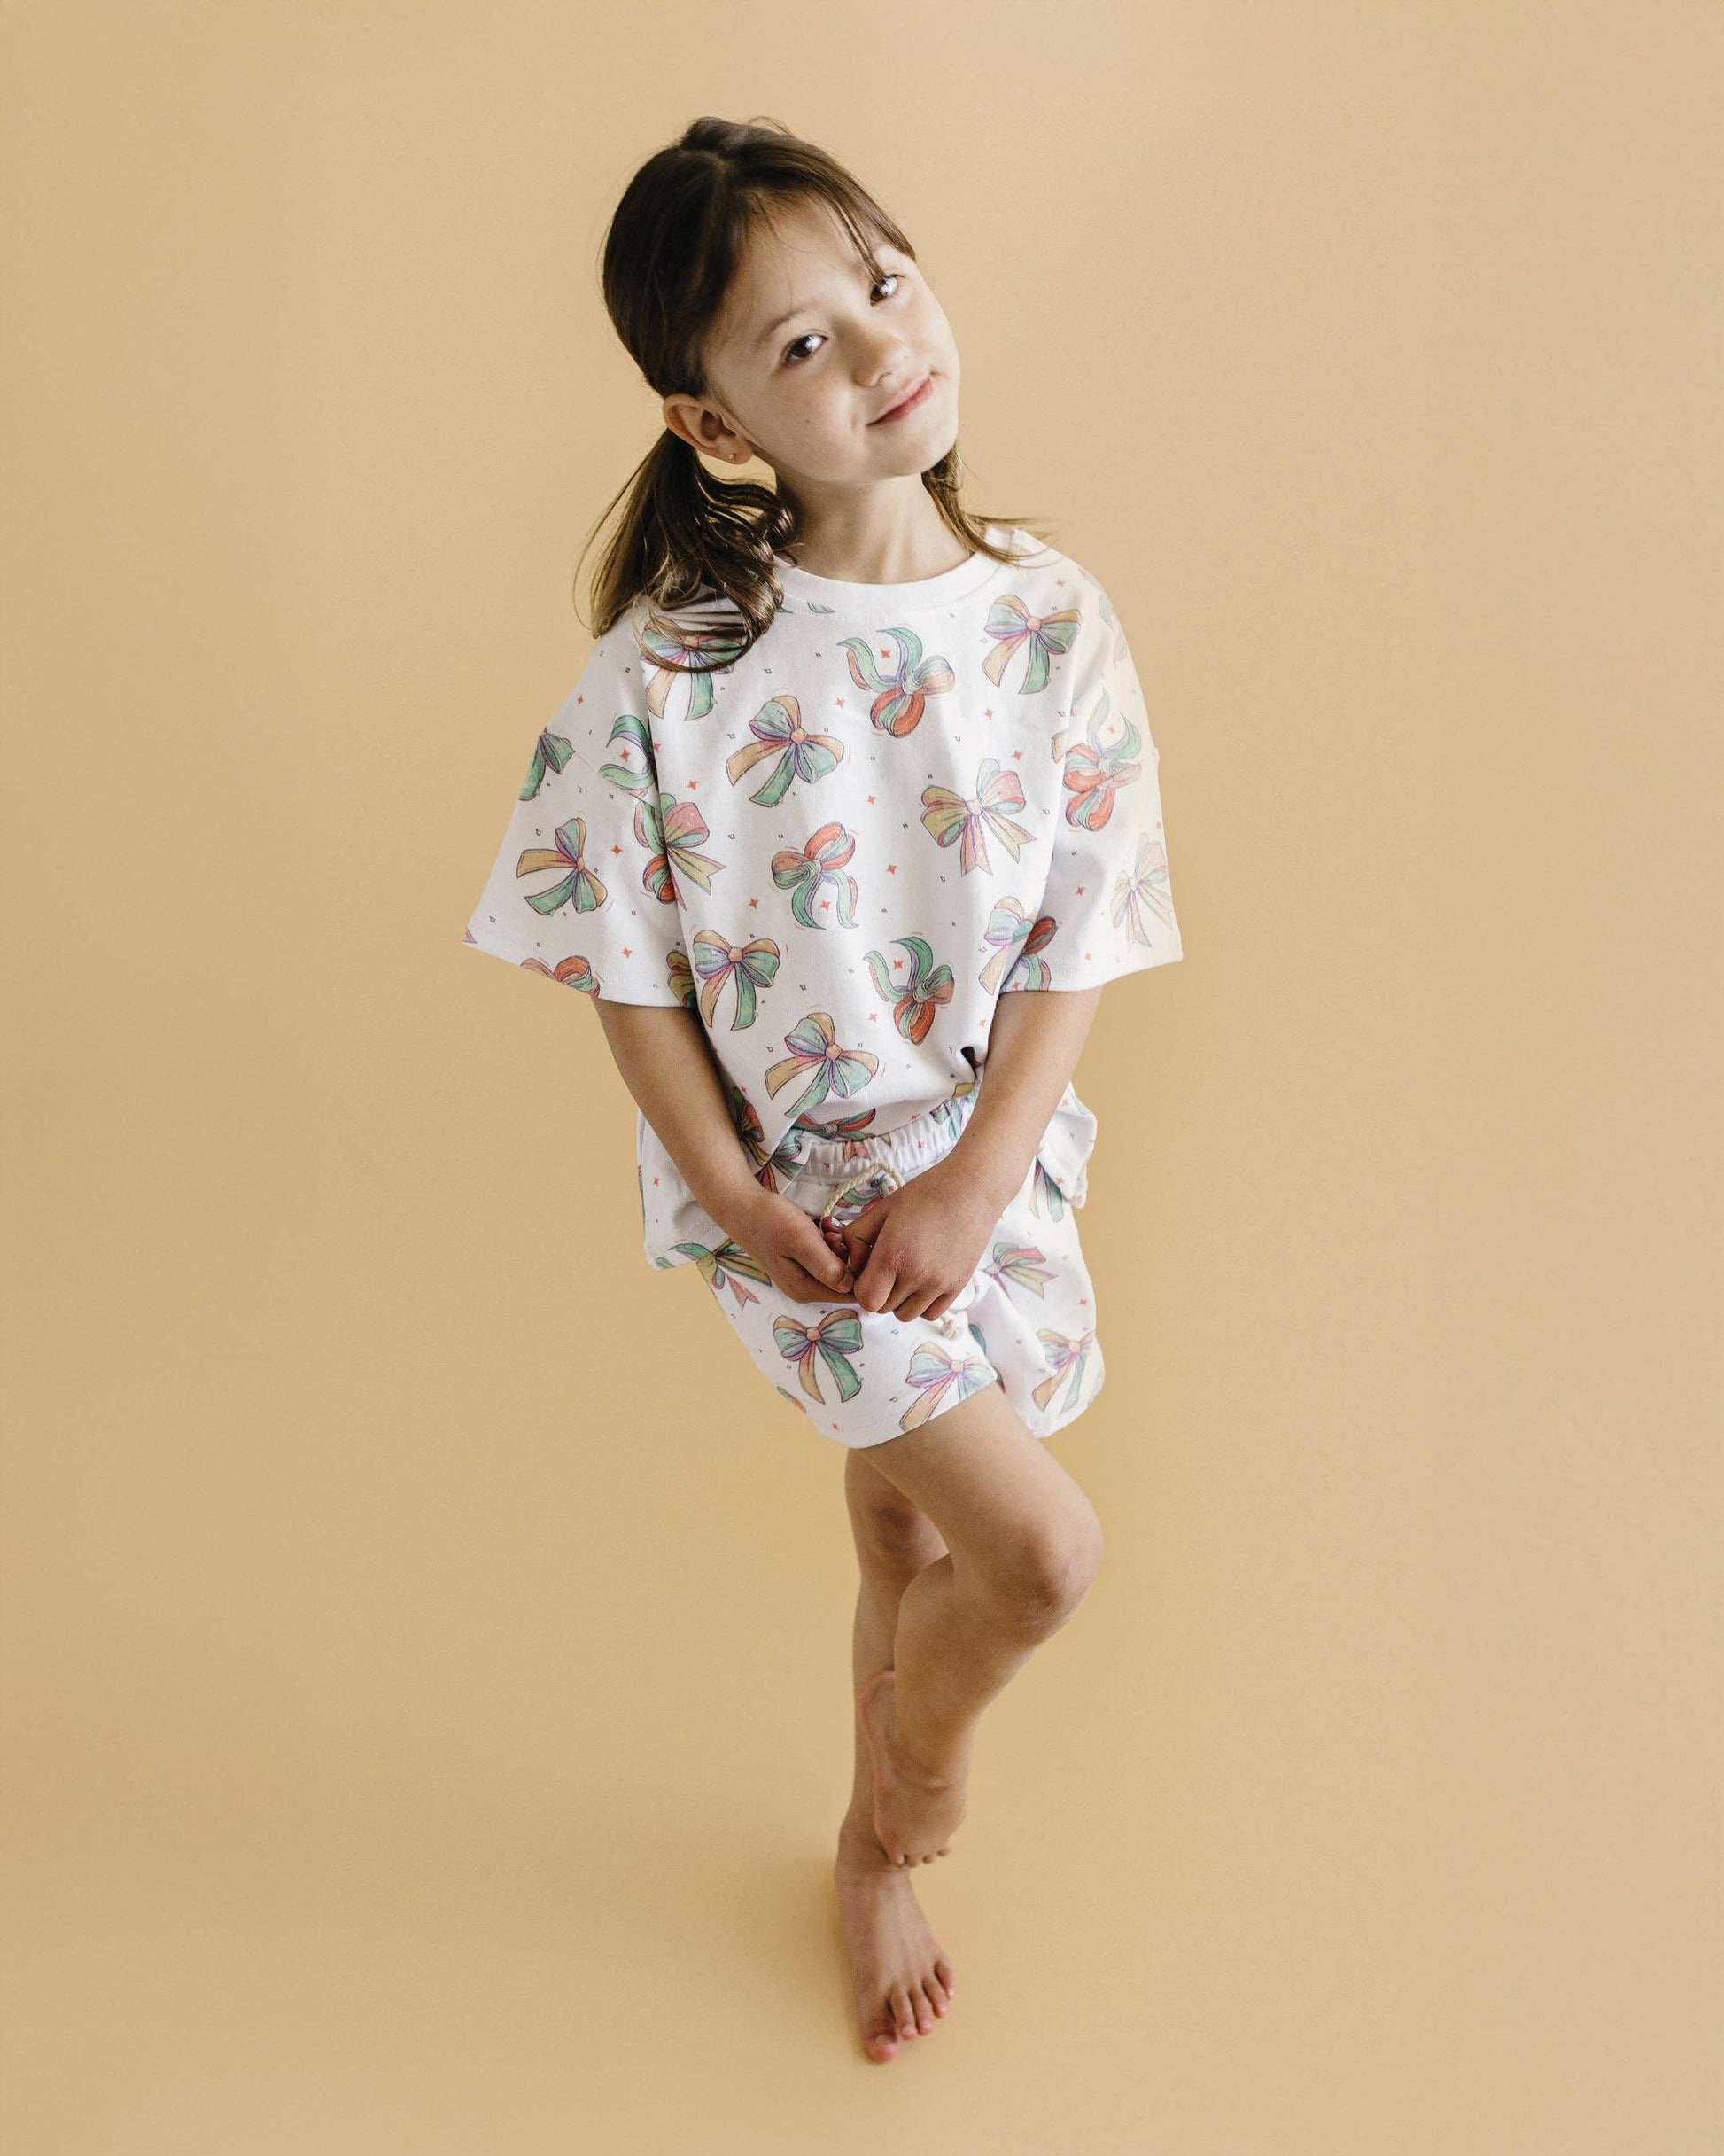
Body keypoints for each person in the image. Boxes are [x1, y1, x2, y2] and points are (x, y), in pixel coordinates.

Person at [460, 115, 1184, 2064]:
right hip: (798, 1201)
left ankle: (859, 1854)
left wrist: (979, 1177)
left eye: (881, 283)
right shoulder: (675, 670)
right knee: (1036, 1555)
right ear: (712, 425)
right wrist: (727, 1189)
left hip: (984, 1169)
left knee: (902, 1544)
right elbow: (621, 959)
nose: (879, 347)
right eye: (801, 344)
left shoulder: (1049, 619)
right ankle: (901, 1805)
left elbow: (1081, 927)